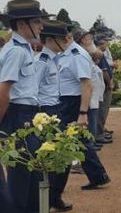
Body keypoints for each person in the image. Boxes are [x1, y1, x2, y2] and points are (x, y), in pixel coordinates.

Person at [0, 0, 46, 213]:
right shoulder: (16, 51)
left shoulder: (23, 48)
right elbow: (4, 89)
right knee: (21, 173)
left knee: (30, 172)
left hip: (26, 115)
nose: (41, 26)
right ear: (21, 24)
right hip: (19, 116)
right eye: (36, 22)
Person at [58, 29, 109, 192]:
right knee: (80, 141)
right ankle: (98, 176)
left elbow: (86, 83)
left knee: (72, 141)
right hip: (69, 100)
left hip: (73, 101)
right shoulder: (68, 53)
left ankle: (56, 187)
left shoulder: (76, 54)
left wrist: (82, 112)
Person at [34, 20, 69, 212]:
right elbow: (34, 89)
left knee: (62, 157)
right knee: (51, 158)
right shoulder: (42, 62)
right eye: (61, 38)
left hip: (56, 109)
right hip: (45, 112)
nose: (65, 41)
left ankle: (54, 197)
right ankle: (48, 199)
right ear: (49, 40)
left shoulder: (55, 60)